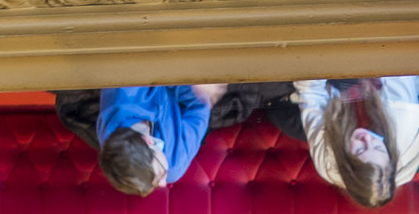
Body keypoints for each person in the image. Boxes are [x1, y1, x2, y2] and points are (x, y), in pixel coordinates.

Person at [54, 81, 294, 194]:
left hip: (160, 84)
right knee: (269, 84)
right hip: (186, 108)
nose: (163, 183)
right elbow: (198, 109)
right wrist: (202, 90)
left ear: (149, 142)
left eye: (157, 175)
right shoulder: (174, 166)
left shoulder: (122, 95)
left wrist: (186, 82)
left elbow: (154, 62)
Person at [292, 77, 419, 207]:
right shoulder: (403, 120)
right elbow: (396, 63)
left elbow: (311, 95)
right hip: (387, 84)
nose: (367, 139)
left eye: (360, 150)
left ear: (344, 159)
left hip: (341, 102)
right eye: (378, 147)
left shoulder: (327, 164)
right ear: (388, 151)